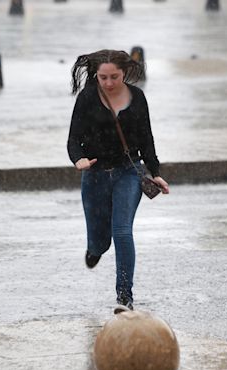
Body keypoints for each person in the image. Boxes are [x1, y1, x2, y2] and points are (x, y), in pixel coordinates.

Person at [67, 49, 169, 311]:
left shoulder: (137, 98)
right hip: (94, 174)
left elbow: (146, 139)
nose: (109, 83)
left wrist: (155, 172)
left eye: (115, 77)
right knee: (100, 241)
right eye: (103, 78)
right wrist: (77, 159)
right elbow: (73, 138)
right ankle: (94, 249)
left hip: (128, 171)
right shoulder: (88, 97)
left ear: (125, 73)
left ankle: (124, 296)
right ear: (96, 76)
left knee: (122, 231)